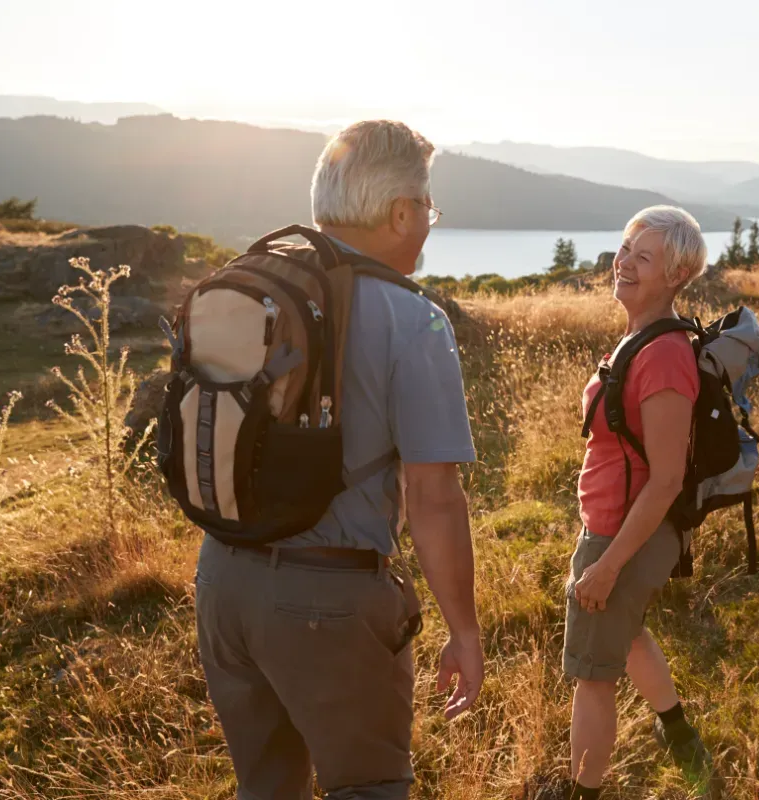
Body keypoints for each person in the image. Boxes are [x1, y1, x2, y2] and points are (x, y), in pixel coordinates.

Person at [193, 120, 484, 800]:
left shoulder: (248, 284)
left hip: (222, 580)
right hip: (326, 600)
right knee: (370, 789)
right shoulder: (415, 321)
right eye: (429, 209)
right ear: (400, 212)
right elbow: (434, 496)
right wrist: (463, 631)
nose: (429, 224)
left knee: (266, 788)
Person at [564, 206, 714, 798]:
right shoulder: (643, 336)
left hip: (623, 532)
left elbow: (667, 479)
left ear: (675, 276)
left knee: (592, 677)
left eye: (642, 257)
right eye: (625, 248)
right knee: (625, 636)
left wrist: (606, 565)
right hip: (613, 522)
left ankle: (584, 792)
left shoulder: (665, 355)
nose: (623, 263)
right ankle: (679, 734)